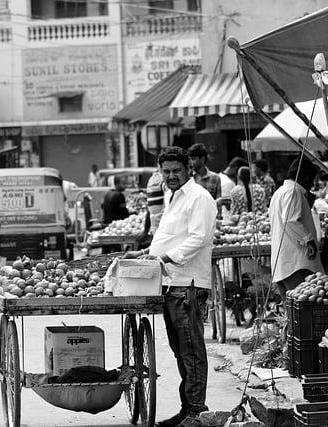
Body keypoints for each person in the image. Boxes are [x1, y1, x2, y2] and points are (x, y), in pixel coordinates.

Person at [124, 146, 217, 427]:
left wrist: (164, 257)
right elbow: (169, 236)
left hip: (188, 285)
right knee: (181, 352)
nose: (171, 176)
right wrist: (145, 255)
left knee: (192, 351)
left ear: (189, 168)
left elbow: (198, 238)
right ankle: (187, 408)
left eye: (176, 170)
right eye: (166, 171)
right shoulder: (172, 195)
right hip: (170, 283)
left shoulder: (199, 198)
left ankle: (196, 411)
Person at [270, 158, 324, 305]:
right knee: (303, 307)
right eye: (312, 179)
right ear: (304, 176)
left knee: (292, 310)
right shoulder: (293, 192)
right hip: (295, 263)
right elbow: (290, 220)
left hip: (285, 262)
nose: (312, 184)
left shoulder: (280, 192)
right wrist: (309, 241)